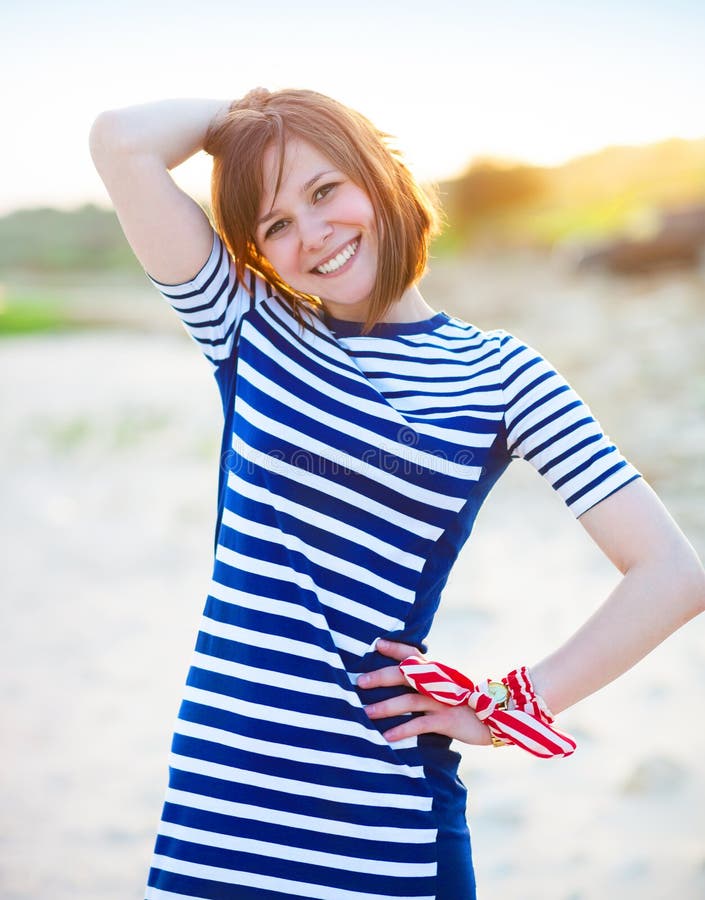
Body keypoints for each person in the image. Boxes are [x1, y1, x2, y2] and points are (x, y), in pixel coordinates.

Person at [89, 88, 705, 900]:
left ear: (378, 177)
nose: (311, 235)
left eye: (323, 191)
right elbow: (120, 141)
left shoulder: (502, 375)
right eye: (274, 225)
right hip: (220, 805)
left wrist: (510, 703)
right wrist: (250, 118)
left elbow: (670, 572)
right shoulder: (250, 325)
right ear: (260, 253)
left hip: (384, 826)